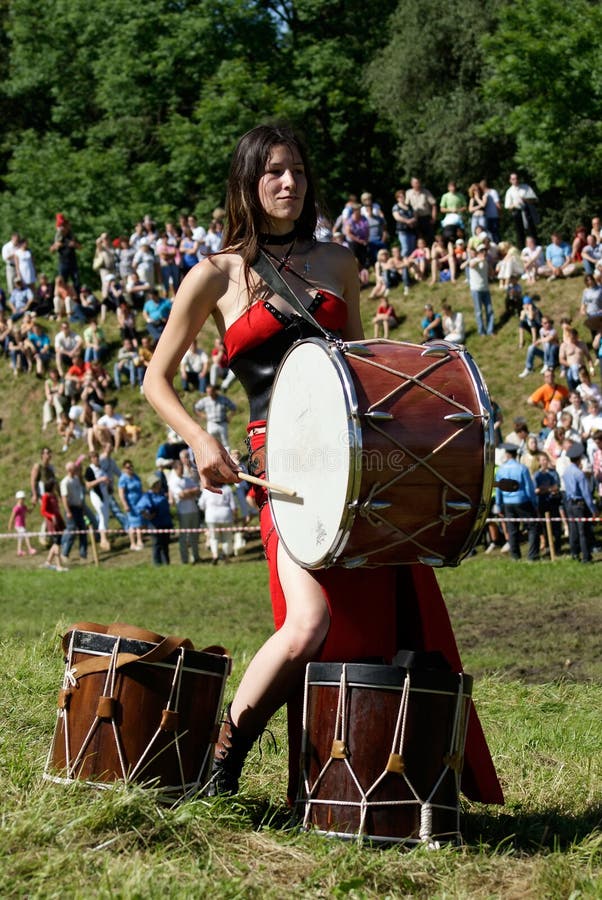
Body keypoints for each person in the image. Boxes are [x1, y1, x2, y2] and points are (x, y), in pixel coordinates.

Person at [142, 123, 502, 805]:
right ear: (248, 182)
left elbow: (357, 368)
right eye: (275, 172)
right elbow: (155, 379)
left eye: (299, 172)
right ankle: (220, 762)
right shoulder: (214, 275)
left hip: (355, 469)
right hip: (277, 469)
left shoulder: (339, 261)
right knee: (308, 623)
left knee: (374, 626)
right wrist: (199, 439)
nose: (289, 183)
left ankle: (368, 780)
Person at [495, 443, 539, 561]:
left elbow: (498, 488)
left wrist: (498, 505)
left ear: (506, 454)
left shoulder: (500, 470)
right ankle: (532, 555)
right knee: (532, 527)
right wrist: (534, 503)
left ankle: (515, 556)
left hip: (507, 502)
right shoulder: (522, 468)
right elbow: (529, 488)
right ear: (515, 454)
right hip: (522, 500)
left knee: (512, 529)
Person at [562, 443, 596, 562]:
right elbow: (586, 493)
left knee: (573, 530)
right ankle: (586, 556)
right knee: (583, 532)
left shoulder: (566, 472)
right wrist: (593, 509)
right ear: (579, 458)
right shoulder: (579, 474)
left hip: (569, 503)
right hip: (579, 504)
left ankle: (574, 553)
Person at [168, 457, 201, 564]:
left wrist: (187, 493)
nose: (182, 470)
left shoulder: (187, 479)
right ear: (175, 469)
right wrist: (190, 493)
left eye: (182, 467)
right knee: (184, 537)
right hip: (183, 512)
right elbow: (180, 495)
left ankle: (196, 556)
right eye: (179, 468)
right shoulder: (173, 482)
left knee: (194, 535)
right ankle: (184, 559)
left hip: (193, 510)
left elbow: (197, 490)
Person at [136, 473, 173, 565]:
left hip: (165, 522)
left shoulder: (162, 493)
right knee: (157, 545)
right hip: (156, 524)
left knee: (165, 545)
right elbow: (139, 508)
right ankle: (157, 564)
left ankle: (166, 563)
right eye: (157, 483)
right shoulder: (148, 496)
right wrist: (148, 516)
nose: (159, 484)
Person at [198, 484, 238, 564]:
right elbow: (233, 505)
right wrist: (235, 517)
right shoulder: (227, 488)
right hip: (225, 515)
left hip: (211, 516)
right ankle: (226, 556)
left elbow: (201, 504)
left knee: (213, 537)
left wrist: (207, 510)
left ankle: (215, 555)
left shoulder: (207, 489)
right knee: (227, 537)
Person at [59, 460, 88, 561]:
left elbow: (79, 493)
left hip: (79, 508)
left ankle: (83, 554)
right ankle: (65, 553)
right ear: (70, 470)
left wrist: (82, 507)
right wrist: (68, 511)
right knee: (72, 531)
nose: (76, 470)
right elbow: (64, 498)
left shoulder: (76, 479)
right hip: (71, 508)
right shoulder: (65, 482)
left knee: (83, 530)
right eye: (74, 468)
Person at [194, 384, 236, 450]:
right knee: (211, 442)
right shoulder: (205, 400)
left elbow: (233, 408)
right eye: (207, 392)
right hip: (211, 423)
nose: (209, 393)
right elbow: (196, 408)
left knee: (225, 442)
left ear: (215, 391)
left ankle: (228, 458)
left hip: (222, 423)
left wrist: (229, 417)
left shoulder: (223, 399)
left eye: (210, 391)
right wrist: (202, 415)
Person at [464, 244, 494, 336]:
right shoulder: (474, 260)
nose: (484, 252)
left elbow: (491, 273)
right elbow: (472, 265)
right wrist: (480, 259)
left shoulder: (486, 261)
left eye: (485, 250)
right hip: (476, 289)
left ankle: (490, 330)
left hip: (485, 289)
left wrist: (490, 266)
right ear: (478, 252)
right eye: (482, 251)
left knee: (489, 310)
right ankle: (481, 332)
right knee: (479, 312)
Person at [504, 173, 539, 247]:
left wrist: (525, 199)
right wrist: (515, 204)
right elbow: (507, 206)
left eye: (516, 178)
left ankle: (535, 246)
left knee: (531, 230)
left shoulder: (526, 187)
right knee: (520, 232)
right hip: (517, 212)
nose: (515, 180)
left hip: (528, 210)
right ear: (510, 180)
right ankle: (522, 248)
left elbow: (535, 200)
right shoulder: (509, 191)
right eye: (513, 179)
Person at [40, 479, 68, 571]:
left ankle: (48, 562)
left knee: (57, 542)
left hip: (58, 521)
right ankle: (59, 566)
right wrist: (51, 516)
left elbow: (57, 509)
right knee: (56, 543)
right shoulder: (45, 496)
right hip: (52, 522)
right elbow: (43, 511)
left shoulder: (54, 495)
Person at [118, 459, 144, 551]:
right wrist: (125, 504)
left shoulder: (136, 477)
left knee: (139, 522)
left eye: (131, 467)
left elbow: (141, 489)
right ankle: (132, 543)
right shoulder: (123, 479)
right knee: (132, 524)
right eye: (127, 467)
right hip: (130, 504)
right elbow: (121, 493)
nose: (130, 469)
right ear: (124, 469)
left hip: (139, 503)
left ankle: (140, 541)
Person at [8, 490, 37, 558]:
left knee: (20, 538)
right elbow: (12, 517)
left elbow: (29, 511)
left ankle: (19, 551)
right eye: (21, 499)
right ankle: (30, 549)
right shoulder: (16, 508)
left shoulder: (24, 506)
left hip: (23, 525)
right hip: (18, 525)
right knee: (26, 535)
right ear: (17, 499)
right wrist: (10, 525)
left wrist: (33, 506)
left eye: (23, 499)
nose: (23, 500)